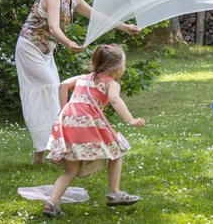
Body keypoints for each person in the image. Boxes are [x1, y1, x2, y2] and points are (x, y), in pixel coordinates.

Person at [15, 0, 139, 165]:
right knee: (49, 92)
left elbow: (98, 16)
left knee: (52, 93)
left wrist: (125, 26)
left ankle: (45, 154)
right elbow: (54, 27)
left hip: (46, 51)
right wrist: (70, 44)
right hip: (29, 48)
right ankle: (53, 151)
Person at [42, 44, 146, 217]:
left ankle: (51, 204)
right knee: (116, 152)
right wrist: (130, 119)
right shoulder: (111, 83)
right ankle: (114, 192)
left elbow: (62, 85)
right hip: (87, 122)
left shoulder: (83, 78)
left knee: (71, 171)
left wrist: (63, 110)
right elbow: (114, 99)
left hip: (68, 121)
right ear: (117, 68)